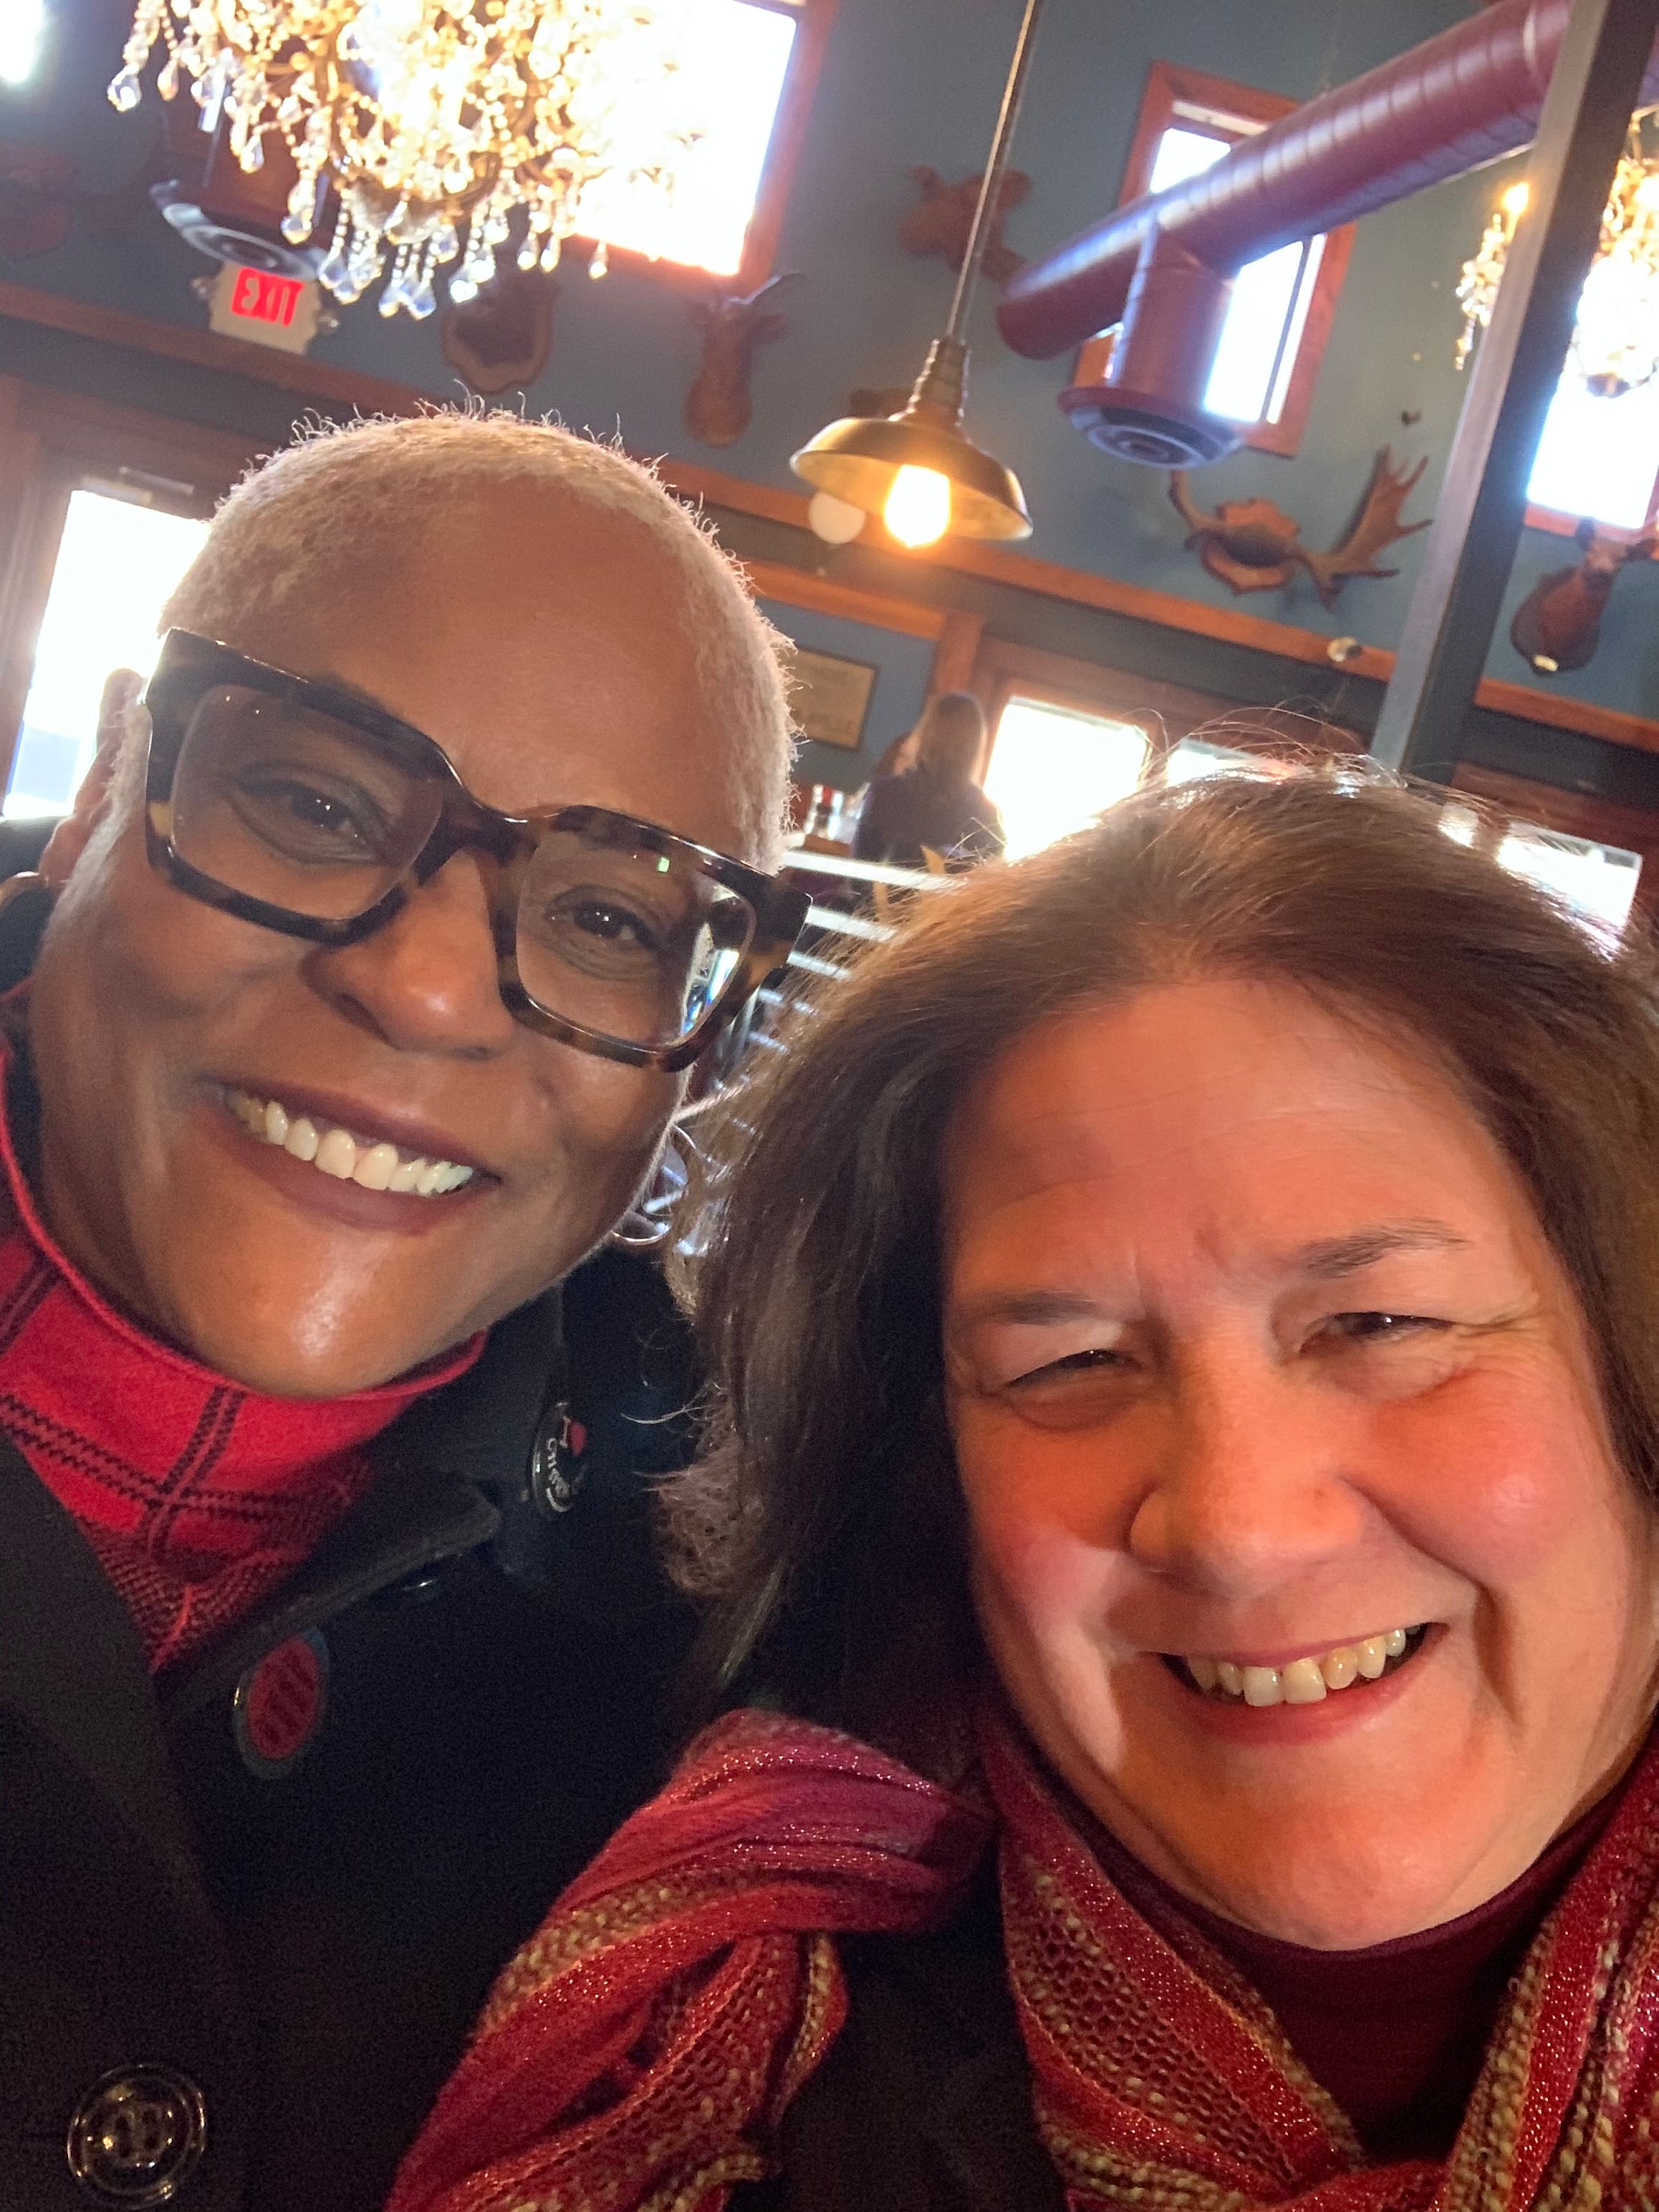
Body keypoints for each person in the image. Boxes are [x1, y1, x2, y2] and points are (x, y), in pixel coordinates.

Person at [391, 767, 1659, 2212]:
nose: (1237, 1524)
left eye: (1379, 1324)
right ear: (931, 1457)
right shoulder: (710, 2057)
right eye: (1069, 1363)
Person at [0, 410, 803, 2212]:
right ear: (113, 777)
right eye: (312, 801)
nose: (431, 988)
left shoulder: (737, 1650)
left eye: (604, 914)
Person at [852, 689, 1004, 868]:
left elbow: (860, 872)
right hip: (950, 897)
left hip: (881, 896)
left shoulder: (885, 793)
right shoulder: (986, 814)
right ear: (975, 745)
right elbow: (989, 886)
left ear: (925, 733)